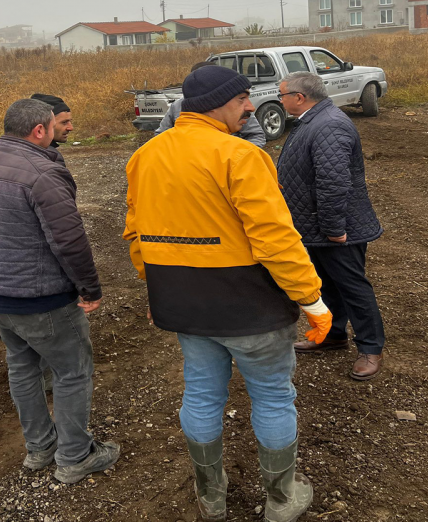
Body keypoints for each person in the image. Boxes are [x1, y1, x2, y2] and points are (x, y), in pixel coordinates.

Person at [124, 65, 332, 522]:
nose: (251, 107)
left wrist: (157, 289)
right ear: (215, 104)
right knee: (273, 397)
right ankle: (281, 500)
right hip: (249, 306)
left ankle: (211, 499)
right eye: (242, 99)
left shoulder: (146, 156)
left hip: (184, 305)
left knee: (201, 395)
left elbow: (137, 234)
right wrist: (312, 301)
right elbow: (276, 240)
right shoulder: (241, 156)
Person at [0, 98, 119, 484]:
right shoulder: (42, 172)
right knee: (72, 372)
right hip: (40, 297)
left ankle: (40, 447)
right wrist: (89, 288)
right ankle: (75, 456)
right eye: (54, 126)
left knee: (22, 365)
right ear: (39, 130)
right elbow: (69, 241)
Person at [276, 72, 385, 381]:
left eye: (282, 95)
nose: (280, 100)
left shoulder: (329, 125)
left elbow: (333, 183)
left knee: (353, 288)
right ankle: (333, 335)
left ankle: (371, 348)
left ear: (299, 97)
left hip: (336, 228)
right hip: (317, 226)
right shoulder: (313, 120)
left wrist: (334, 228)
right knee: (327, 284)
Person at [155, 61, 267, 148]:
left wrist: (237, 155)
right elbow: (161, 136)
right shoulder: (177, 106)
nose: (251, 107)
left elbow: (256, 135)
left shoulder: (235, 107)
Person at [31, 93, 73, 165]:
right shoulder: (49, 159)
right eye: (64, 122)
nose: (71, 128)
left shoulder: (15, 148)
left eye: (70, 121)